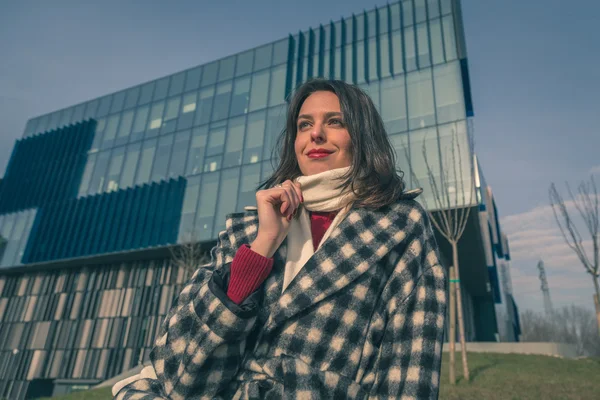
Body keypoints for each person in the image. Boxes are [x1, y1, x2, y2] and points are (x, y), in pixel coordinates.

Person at [113, 79, 447, 399]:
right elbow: (180, 379)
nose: (315, 134)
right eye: (304, 125)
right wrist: (263, 246)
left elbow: (410, 371)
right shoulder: (247, 229)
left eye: (334, 122)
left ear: (362, 136)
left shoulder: (399, 225)